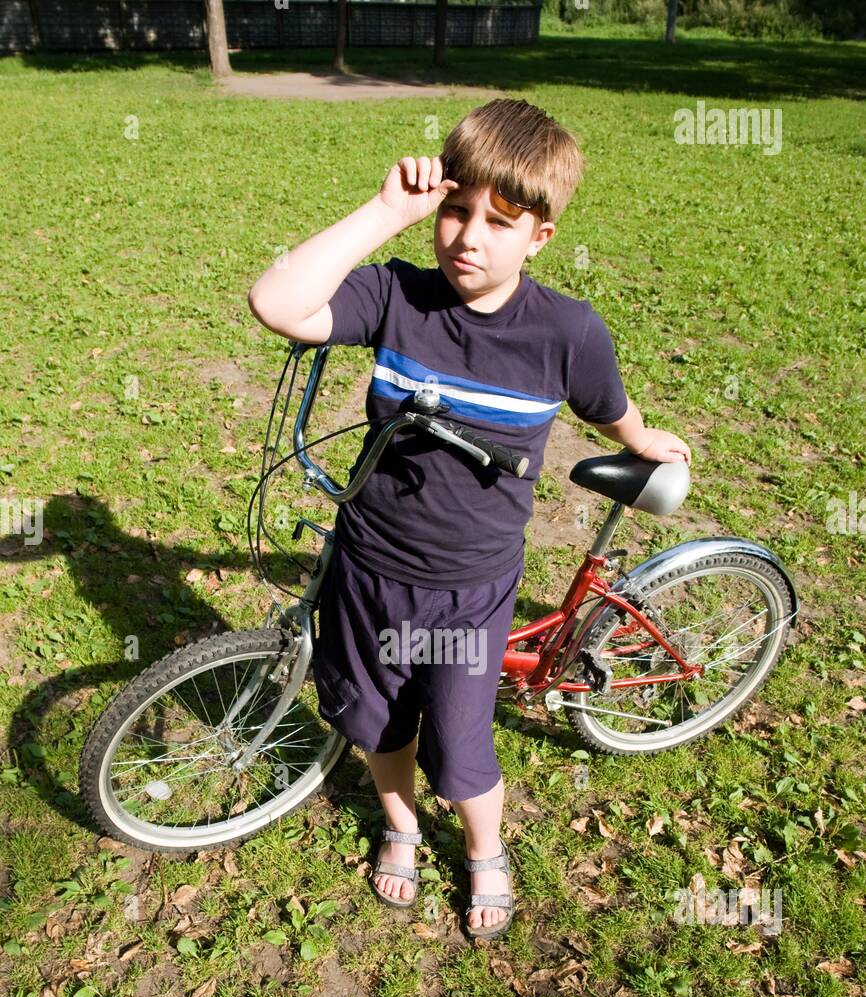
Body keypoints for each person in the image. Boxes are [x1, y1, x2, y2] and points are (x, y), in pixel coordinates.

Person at [248, 98, 690, 941]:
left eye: (499, 220)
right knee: (377, 720)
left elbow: (607, 406)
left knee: (460, 742)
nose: (467, 237)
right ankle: (403, 825)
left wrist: (639, 439)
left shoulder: (566, 332)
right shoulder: (398, 299)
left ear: (541, 237)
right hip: (368, 565)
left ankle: (485, 848)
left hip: (469, 587)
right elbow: (277, 302)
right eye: (455, 210)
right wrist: (387, 212)